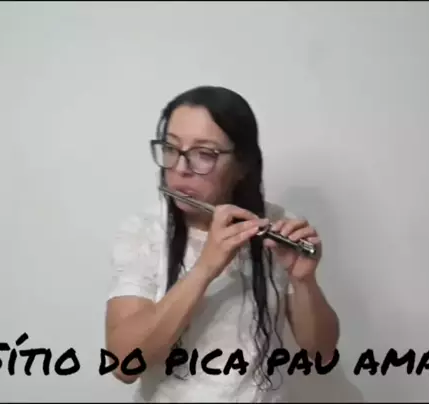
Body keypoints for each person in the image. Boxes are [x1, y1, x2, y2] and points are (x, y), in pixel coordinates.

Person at [104, 85, 340, 402]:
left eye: (204, 154)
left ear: (242, 165)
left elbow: (320, 353)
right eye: (171, 148)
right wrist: (205, 268)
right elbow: (123, 364)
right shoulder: (144, 232)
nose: (180, 169)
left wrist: (304, 281)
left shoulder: (277, 225)